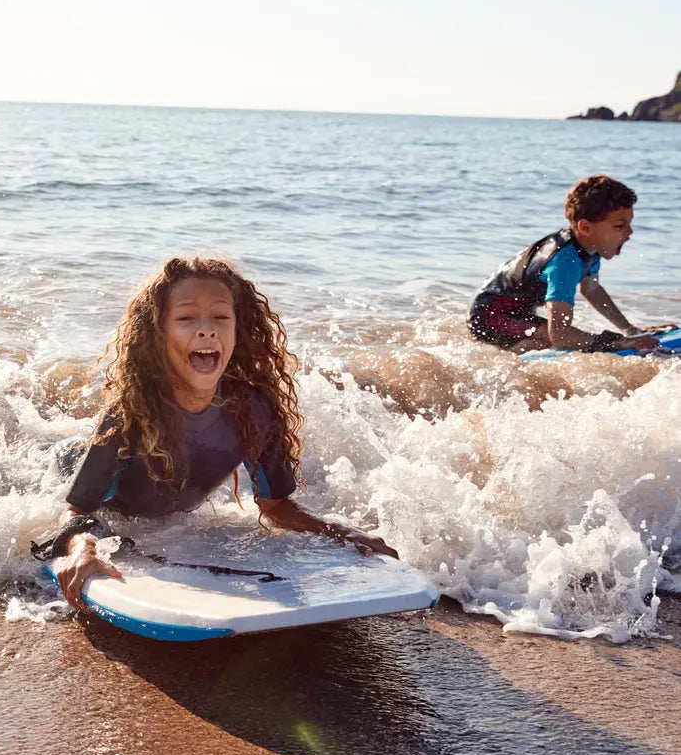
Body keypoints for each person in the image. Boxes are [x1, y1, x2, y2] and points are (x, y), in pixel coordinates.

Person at [47, 256, 397, 613]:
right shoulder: (130, 414)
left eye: (220, 317)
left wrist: (340, 532)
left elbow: (275, 506)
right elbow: (76, 509)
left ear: (237, 330)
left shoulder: (254, 410)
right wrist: (82, 548)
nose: (207, 330)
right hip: (75, 468)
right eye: (185, 318)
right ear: (157, 334)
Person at [467, 174, 671, 354]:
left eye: (629, 224)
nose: (630, 233)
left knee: (559, 338)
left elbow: (591, 289)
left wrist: (629, 330)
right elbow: (560, 334)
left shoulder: (590, 247)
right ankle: (502, 361)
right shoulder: (565, 261)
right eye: (620, 226)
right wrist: (616, 343)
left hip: (515, 312)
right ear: (585, 227)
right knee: (546, 341)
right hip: (488, 315)